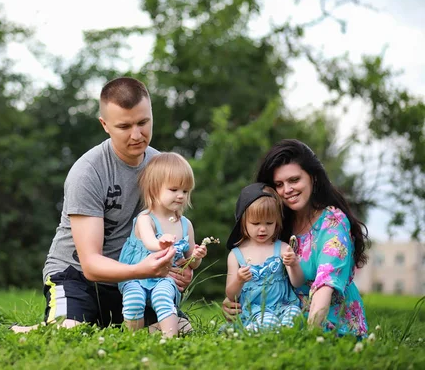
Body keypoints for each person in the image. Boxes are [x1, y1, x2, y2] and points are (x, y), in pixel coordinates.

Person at [11, 77, 192, 333]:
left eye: (143, 122)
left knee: (179, 330)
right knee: (70, 332)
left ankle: (103, 319)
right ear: (105, 125)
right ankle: (40, 328)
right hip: (76, 275)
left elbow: (174, 230)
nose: (137, 135)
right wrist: (140, 270)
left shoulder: (162, 168)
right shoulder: (88, 172)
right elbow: (91, 265)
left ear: (152, 114)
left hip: (134, 281)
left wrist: (181, 269)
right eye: (124, 126)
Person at [222, 139, 369, 337]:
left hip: (329, 323)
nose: (287, 190)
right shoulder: (276, 225)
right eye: (279, 184)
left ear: (313, 178)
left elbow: (325, 286)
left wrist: (308, 338)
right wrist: (233, 302)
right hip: (281, 321)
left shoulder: (332, 222)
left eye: (294, 180)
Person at [118, 152, 207, 338]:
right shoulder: (145, 219)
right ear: (154, 189)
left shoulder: (185, 225)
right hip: (137, 274)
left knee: (163, 297)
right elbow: (150, 243)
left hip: (164, 279)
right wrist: (161, 243)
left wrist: (196, 256)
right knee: (134, 299)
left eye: (185, 191)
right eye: (174, 190)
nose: (181, 196)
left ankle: (169, 337)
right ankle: (132, 339)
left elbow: (189, 264)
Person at [225, 183, 303, 332]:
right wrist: (239, 280)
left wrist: (293, 264)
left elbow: (297, 282)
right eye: (255, 223)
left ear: (277, 222)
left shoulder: (282, 248)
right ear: (243, 222)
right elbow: (230, 294)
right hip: (255, 310)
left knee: (295, 314)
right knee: (267, 321)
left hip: (284, 304)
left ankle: (281, 335)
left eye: (269, 223)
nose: (263, 228)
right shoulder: (236, 255)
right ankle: (255, 332)